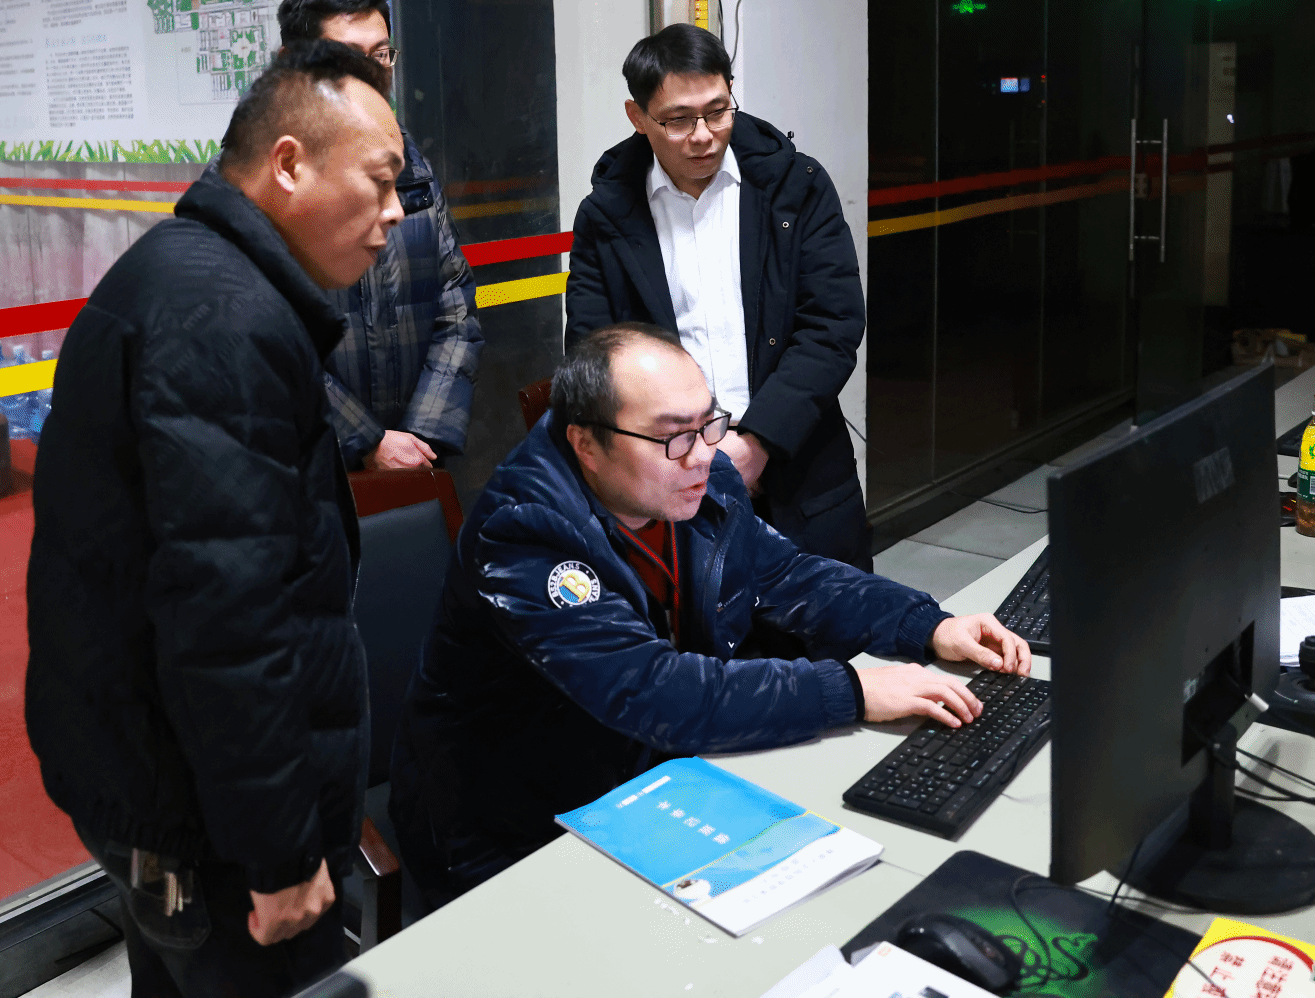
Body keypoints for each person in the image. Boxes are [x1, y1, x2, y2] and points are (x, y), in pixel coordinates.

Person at [389, 323, 1029, 905]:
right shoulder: (524, 531)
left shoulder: (697, 474)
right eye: (673, 436)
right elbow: (652, 690)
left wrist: (926, 626)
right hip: (516, 826)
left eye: (709, 424)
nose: (701, 454)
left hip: (652, 776)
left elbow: (786, 575)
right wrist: (853, 690)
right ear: (586, 443)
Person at [25, 39, 404, 998]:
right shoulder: (222, 320)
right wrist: (279, 851)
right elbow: (228, 618)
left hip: (166, 781)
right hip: (209, 815)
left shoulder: (198, 277)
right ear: (289, 164)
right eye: (381, 180)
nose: (396, 212)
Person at [566, 23, 873, 567]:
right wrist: (682, 452)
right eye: (678, 120)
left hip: (799, 469)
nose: (704, 135)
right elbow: (595, 355)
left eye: (718, 111)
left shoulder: (795, 187)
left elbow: (832, 324)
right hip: (668, 486)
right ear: (638, 118)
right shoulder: (607, 215)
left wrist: (755, 443)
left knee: (831, 612)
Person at [277, 0, 482, 472]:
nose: (370, 73)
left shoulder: (408, 162)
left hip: (414, 460)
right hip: (304, 469)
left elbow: (455, 306)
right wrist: (366, 442)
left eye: (381, 54)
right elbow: (264, 339)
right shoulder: (265, 176)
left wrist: (419, 436)